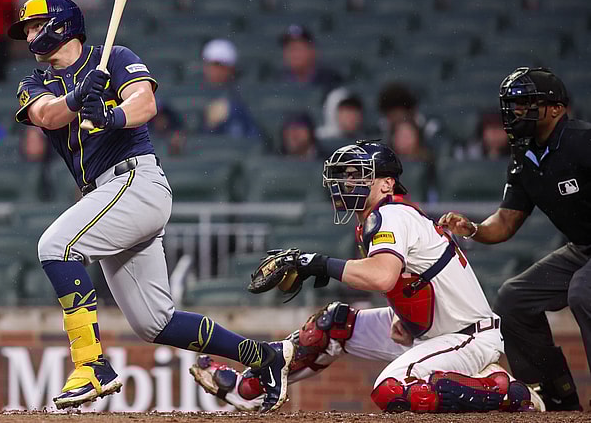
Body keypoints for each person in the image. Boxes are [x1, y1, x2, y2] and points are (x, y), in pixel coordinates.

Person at [8, 0, 292, 412]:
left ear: (62, 24)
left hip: (135, 181)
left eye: (35, 25)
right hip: (104, 196)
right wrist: (77, 99)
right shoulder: (35, 82)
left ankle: (91, 365)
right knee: (155, 323)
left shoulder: (113, 57)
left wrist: (110, 116)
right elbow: (47, 116)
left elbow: (145, 102)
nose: (30, 35)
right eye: (28, 29)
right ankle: (264, 357)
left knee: (55, 247)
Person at [191, 141, 542, 413]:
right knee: (334, 324)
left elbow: (382, 278)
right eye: (346, 175)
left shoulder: (392, 215)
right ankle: (250, 388)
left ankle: (505, 391)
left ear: (387, 183)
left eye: (360, 175)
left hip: (467, 336)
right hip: (432, 329)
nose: (348, 182)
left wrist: (318, 262)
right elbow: (407, 281)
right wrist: (408, 317)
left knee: (391, 390)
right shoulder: (381, 218)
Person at [438, 67, 590, 412]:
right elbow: (507, 221)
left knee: (584, 290)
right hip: (584, 248)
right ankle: (556, 399)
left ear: (555, 108)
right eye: (513, 105)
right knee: (513, 299)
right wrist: (474, 229)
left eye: (526, 104)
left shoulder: (583, 141)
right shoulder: (524, 155)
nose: (517, 112)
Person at [200, 39, 259, 138]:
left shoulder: (243, 94)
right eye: (211, 65)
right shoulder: (199, 92)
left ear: (231, 68)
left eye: (220, 66)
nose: (215, 71)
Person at [279, 24, 341, 94]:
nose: (294, 53)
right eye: (290, 48)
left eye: (299, 48)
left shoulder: (331, 79)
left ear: (312, 51)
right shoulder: (278, 80)